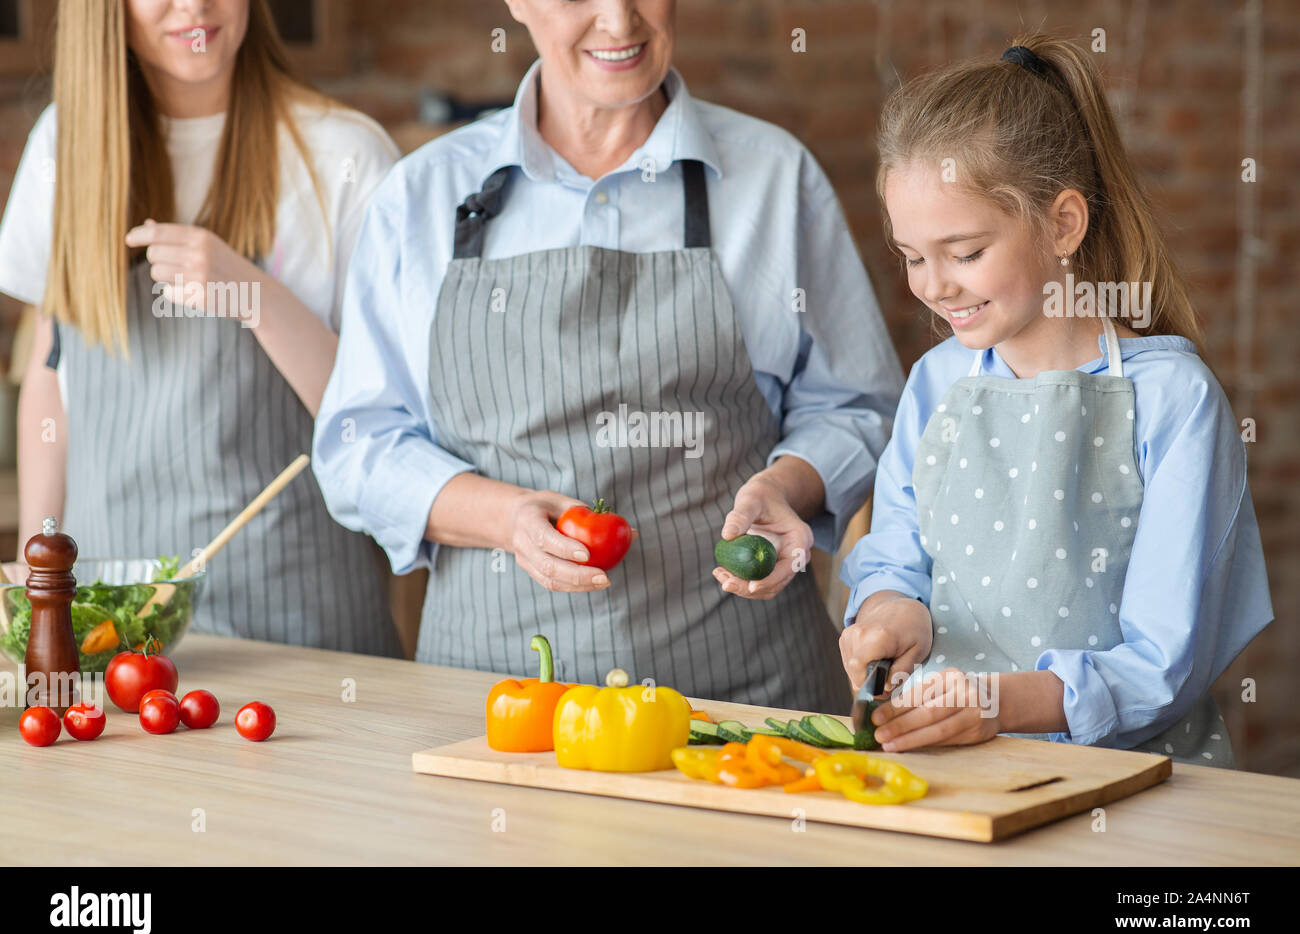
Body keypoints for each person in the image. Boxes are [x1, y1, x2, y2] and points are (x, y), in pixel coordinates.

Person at [313, 0, 904, 711]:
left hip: (743, 703)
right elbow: (359, 445)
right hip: (495, 706)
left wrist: (788, 486)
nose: (619, 22)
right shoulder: (423, 194)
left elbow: (856, 404)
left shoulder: (774, 177)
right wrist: (505, 518)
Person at [839, 35, 1273, 765]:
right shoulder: (937, 382)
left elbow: (1163, 661)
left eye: (965, 252)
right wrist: (888, 612)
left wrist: (993, 703)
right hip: (950, 777)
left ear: (1062, 224)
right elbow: (895, 556)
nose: (933, 286)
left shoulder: (1174, 401)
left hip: (1129, 789)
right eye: (912, 257)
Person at [0, 0, 404, 654]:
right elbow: (52, 376)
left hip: (300, 633)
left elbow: (381, 420)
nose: (194, 6)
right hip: (113, 633)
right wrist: (40, 566)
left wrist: (255, 295)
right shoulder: (65, 143)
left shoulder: (347, 156)